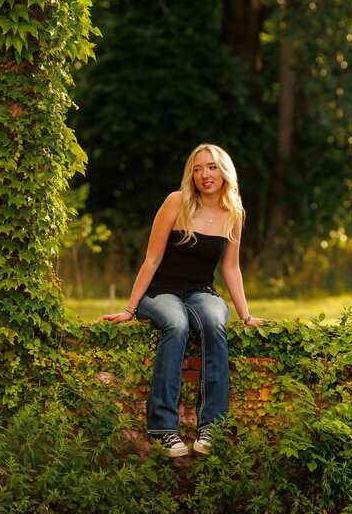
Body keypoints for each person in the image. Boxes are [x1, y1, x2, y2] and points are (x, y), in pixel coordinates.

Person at [100, 143, 265, 457]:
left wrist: (246, 316)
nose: (205, 174)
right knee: (176, 325)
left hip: (200, 292)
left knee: (215, 322)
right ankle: (163, 427)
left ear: (224, 171)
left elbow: (231, 266)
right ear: (192, 173)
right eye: (198, 168)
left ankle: (210, 427)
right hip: (160, 291)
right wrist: (129, 309)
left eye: (212, 167)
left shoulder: (233, 211)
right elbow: (151, 259)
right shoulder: (176, 202)